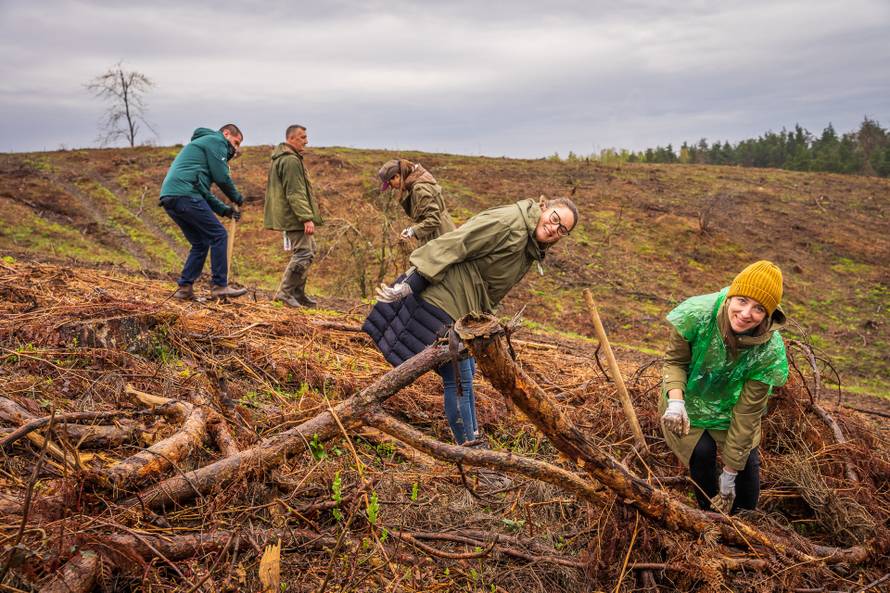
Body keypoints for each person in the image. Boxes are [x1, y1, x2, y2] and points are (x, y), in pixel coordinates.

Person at [362, 196, 578, 446]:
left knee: (463, 375)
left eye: (562, 230)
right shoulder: (510, 223)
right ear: (544, 207)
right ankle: (472, 451)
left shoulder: (529, 244)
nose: (554, 229)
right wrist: (412, 283)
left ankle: (471, 446)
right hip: (442, 297)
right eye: (555, 219)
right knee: (460, 378)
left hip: (463, 306)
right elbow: (458, 241)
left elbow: (490, 283)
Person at [659, 260, 789, 514]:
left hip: (732, 407)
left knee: (746, 470)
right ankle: (708, 520)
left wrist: (729, 473)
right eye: (741, 301)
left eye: (759, 308)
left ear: (768, 314)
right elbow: (675, 362)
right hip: (686, 401)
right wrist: (676, 402)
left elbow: (747, 413)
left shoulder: (769, 350)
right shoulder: (697, 314)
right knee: (702, 452)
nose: (745, 313)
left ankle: (743, 529)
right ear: (730, 296)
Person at [159, 124, 247, 300]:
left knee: (200, 243)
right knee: (219, 235)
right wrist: (236, 196)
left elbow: (203, 192)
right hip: (185, 195)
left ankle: (184, 288)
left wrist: (225, 210)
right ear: (226, 133)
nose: (235, 149)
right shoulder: (216, 140)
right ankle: (219, 286)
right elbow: (222, 177)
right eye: (236, 143)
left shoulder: (201, 150)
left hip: (172, 197)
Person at [264, 124, 323, 307]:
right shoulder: (290, 160)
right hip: (294, 216)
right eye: (302, 137)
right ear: (291, 139)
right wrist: (306, 217)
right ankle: (285, 293)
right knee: (304, 252)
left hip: (291, 214)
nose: (306, 141)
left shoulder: (286, 158)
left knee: (310, 250)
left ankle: (297, 293)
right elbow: (295, 192)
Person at [376, 159, 455, 245]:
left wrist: (413, 231)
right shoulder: (422, 179)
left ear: (397, 176)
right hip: (445, 233)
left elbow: (434, 219)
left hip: (439, 239)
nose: (392, 187)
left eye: (390, 184)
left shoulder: (418, 188)